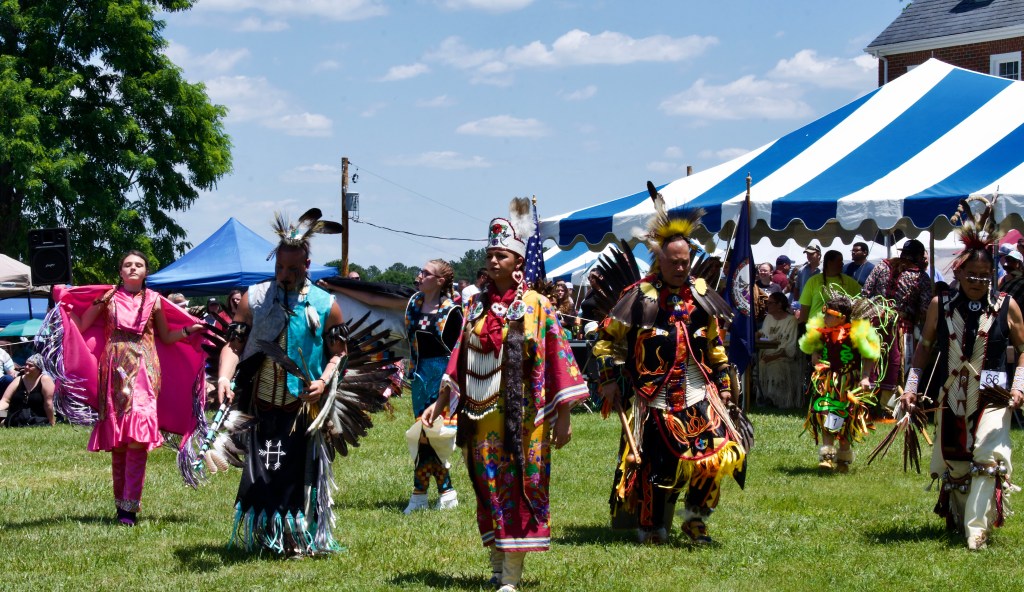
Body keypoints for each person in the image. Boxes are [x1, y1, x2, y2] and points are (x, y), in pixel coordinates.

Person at [421, 197, 588, 592]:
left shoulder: (536, 306)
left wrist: (563, 416)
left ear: (518, 263)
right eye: (490, 255)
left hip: (523, 422)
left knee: (519, 490)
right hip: (479, 419)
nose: (494, 261)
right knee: (488, 488)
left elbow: (559, 359)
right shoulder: (475, 305)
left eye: (502, 255)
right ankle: (498, 566)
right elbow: (461, 355)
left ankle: (511, 576)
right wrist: (442, 400)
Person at [593, 202, 747, 546]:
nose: (681, 267)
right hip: (653, 396)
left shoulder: (701, 295)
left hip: (696, 389)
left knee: (714, 456)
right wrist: (608, 381)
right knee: (654, 466)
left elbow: (715, 345)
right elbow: (605, 341)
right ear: (659, 260)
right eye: (674, 262)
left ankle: (695, 521)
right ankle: (650, 527)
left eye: (685, 261)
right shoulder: (637, 297)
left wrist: (723, 387)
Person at [215, 211, 350, 558]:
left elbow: (339, 353)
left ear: (307, 264)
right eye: (280, 268)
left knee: (297, 476)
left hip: (301, 408)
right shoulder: (256, 298)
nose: (285, 275)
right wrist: (224, 378)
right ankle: (266, 534)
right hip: (261, 404)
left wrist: (322, 380)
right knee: (262, 471)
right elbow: (235, 345)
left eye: (293, 269)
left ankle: (297, 537)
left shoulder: (325, 304)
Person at [899, 197, 1024, 550]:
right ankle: (959, 518)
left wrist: (1019, 386)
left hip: (994, 395)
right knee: (955, 462)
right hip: (952, 393)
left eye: (985, 276)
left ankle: (977, 531)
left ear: (993, 276)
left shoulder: (1006, 306)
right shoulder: (942, 304)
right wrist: (911, 386)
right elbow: (923, 347)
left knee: (986, 455)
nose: (977, 280)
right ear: (958, 272)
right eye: (971, 274)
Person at [56, 250, 205, 526]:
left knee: (137, 436)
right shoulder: (108, 297)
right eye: (128, 265)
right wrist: (63, 310)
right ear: (120, 272)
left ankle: (129, 508)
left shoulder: (155, 301)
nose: (133, 268)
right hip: (113, 370)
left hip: (145, 371)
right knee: (119, 442)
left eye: (139, 265)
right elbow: (81, 324)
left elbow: (167, 337)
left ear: (146, 272)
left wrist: (189, 330)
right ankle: (120, 505)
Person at [329, 258, 465, 514]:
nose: (420, 275)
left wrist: (450, 384)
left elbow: (460, 352)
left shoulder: (452, 311)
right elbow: (373, 301)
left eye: (426, 272)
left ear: (440, 281)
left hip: (444, 376)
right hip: (421, 375)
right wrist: (340, 287)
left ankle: (422, 495)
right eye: (420, 271)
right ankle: (443, 493)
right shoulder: (413, 304)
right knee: (423, 433)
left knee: (434, 435)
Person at [798, 290, 880, 472]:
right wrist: (816, 357)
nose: (825, 316)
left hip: (848, 383)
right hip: (827, 381)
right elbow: (815, 351)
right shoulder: (822, 332)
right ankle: (827, 456)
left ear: (842, 317)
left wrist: (866, 377)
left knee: (844, 419)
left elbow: (869, 356)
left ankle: (843, 457)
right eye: (824, 312)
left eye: (830, 314)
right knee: (826, 412)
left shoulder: (856, 334)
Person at [861, 239, 933, 413]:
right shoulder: (920, 276)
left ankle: (865, 403)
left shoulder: (881, 266)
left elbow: (865, 293)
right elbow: (925, 308)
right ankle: (889, 406)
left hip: (875, 323)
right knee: (896, 364)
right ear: (918, 256)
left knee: (873, 360)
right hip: (901, 327)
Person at [757, 292, 801, 409]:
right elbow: (763, 333)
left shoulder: (791, 320)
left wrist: (773, 356)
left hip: (783, 356)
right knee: (760, 363)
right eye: (767, 303)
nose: (767, 305)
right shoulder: (768, 317)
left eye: (770, 303)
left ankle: (777, 399)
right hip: (766, 352)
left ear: (779, 305)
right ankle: (764, 397)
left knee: (774, 366)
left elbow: (790, 346)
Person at [798, 249, 861, 324]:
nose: (842, 264)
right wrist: (802, 327)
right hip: (814, 330)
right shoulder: (813, 281)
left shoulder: (850, 282)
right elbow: (805, 308)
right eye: (839, 261)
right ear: (829, 263)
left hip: (840, 331)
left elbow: (860, 305)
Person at [0, 354, 55, 427]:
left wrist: (51, 421)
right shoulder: (18, 379)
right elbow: (5, 400)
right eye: (26, 365)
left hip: (37, 417)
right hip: (16, 416)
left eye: (30, 366)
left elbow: (48, 403)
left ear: (39, 369)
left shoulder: (45, 380)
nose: (26, 367)